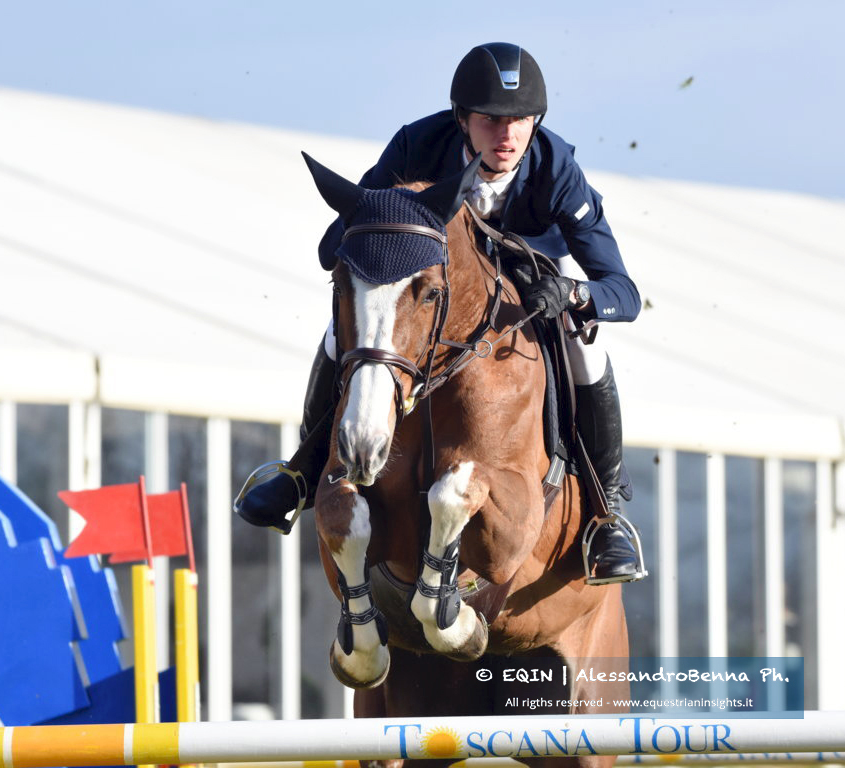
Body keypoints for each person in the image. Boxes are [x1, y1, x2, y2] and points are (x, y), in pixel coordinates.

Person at [238, 42, 645, 585]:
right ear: (461, 121)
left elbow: (623, 290)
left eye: (521, 121)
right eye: (491, 122)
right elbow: (348, 230)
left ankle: (606, 512)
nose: (507, 137)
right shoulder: (416, 145)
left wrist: (572, 295)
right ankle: (301, 472)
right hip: (434, 284)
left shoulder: (556, 169)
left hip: (530, 283)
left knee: (584, 352)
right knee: (343, 335)